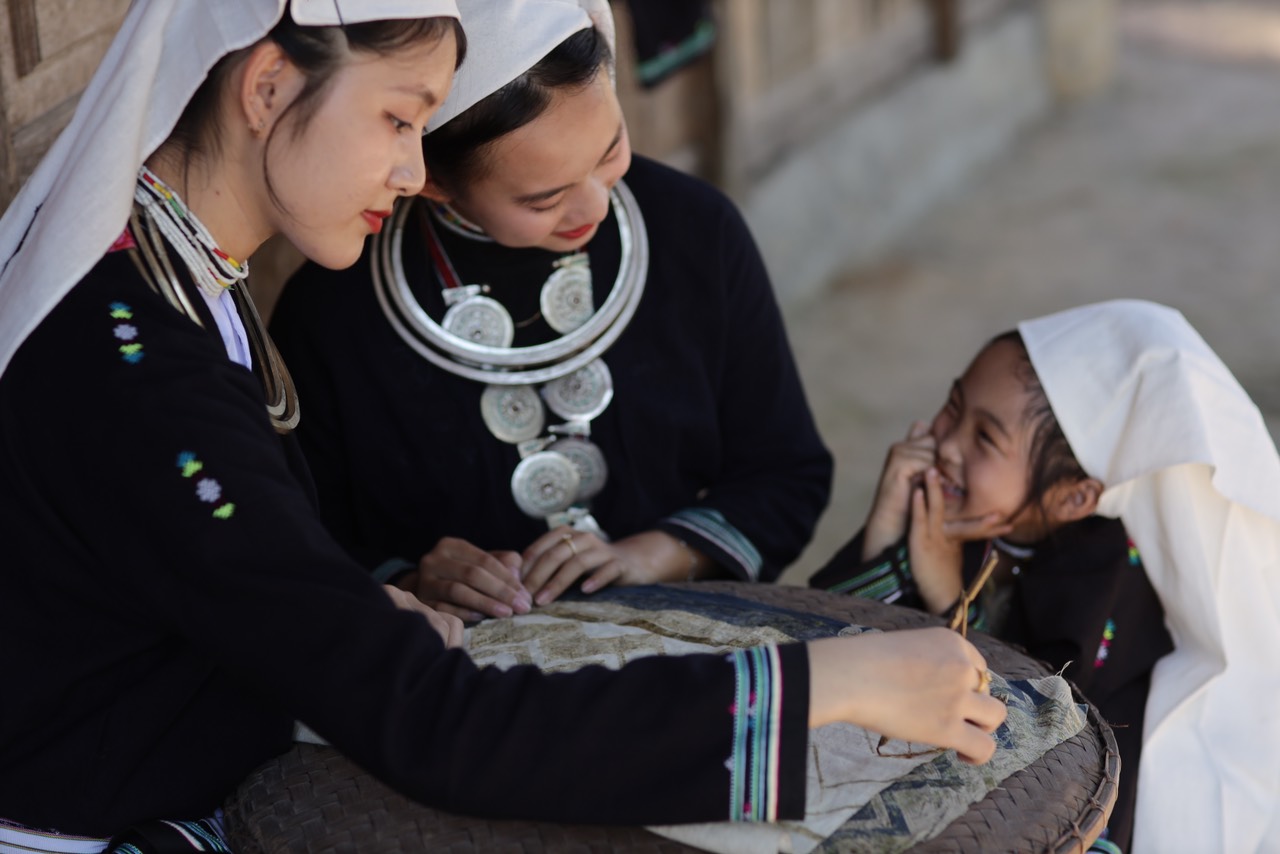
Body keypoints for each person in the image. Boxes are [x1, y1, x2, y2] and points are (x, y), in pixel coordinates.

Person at [0, 0, 1005, 849]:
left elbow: (238, 579)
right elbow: (435, 723)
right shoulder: (141, 370)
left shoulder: (166, 290)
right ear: (266, 88)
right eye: (400, 119)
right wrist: (822, 679)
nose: (406, 174)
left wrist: (358, 607)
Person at [268, 0, 833, 622]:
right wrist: (411, 581)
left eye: (610, 148)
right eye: (545, 198)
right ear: (432, 180)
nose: (591, 206)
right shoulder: (334, 315)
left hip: (691, 647)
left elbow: (788, 474)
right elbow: (301, 539)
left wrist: (656, 554)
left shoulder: (697, 233)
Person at [810, 299, 1280, 854]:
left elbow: (1036, 730)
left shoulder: (1106, 572)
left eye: (985, 439)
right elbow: (815, 638)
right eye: (953, 406)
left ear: (1074, 496)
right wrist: (884, 530)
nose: (948, 442)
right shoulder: (956, 513)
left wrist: (946, 594)